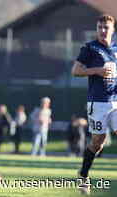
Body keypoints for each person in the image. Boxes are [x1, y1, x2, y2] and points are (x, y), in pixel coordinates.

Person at [71, 14, 117, 195]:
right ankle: (83, 175)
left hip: (115, 101)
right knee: (98, 143)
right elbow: (75, 71)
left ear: (113, 30)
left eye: (106, 27)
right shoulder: (90, 48)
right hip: (97, 103)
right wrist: (97, 70)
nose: (103, 30)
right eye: (100, 27)